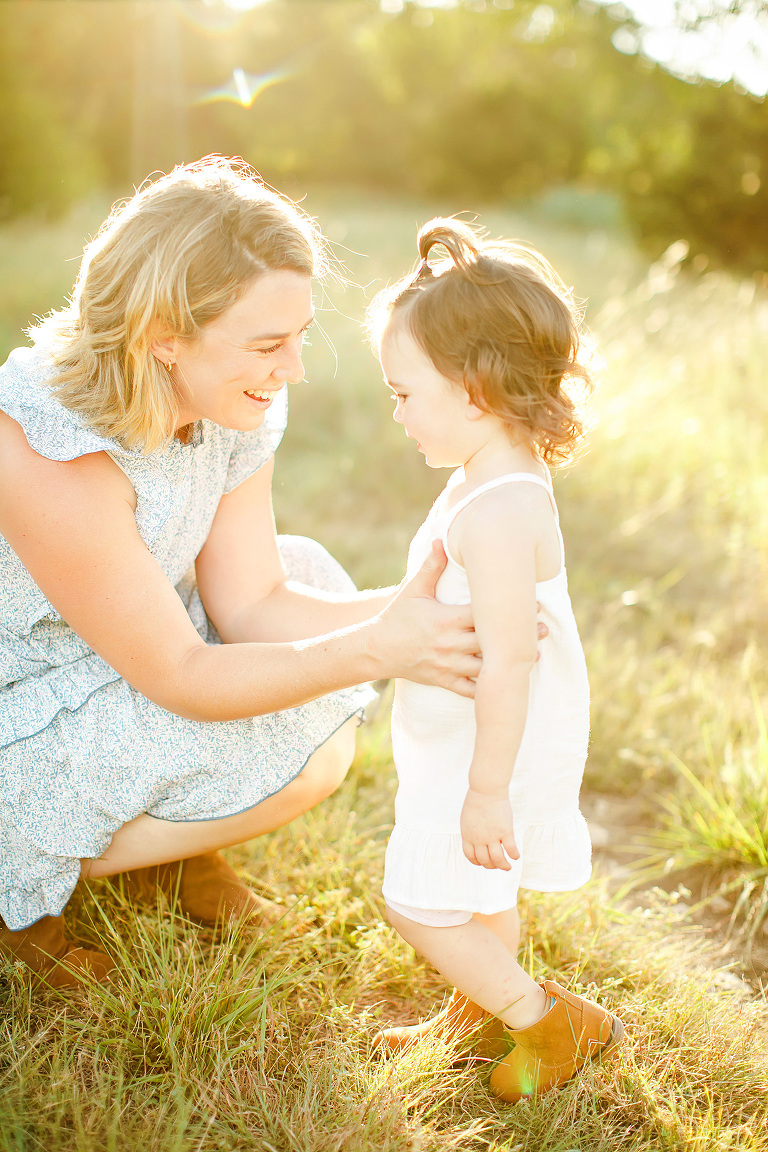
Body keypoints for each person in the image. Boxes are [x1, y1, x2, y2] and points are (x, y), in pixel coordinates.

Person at [0, 159, 486, 989]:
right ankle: (19, 888)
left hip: (115, 656)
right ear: (162, 335)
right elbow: (181, 673)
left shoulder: (226, 397)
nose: (293, 368)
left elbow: (253, 598)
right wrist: (380, 648)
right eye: (267, 344)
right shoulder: (46, 444)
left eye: (298, 336)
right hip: (24, 702)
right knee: (311, 713)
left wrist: (426, 612)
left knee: (310, 581)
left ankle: (172, 852)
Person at [367, 218, 624, 1102]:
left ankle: (548, 1023)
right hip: (470, 734)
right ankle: (478, 1009)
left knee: (418, 900)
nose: (394, 411)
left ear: (473, 389)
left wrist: (485, 789)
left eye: (404, 393)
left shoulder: (500, 509)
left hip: (494, 744)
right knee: (479, 893)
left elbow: (512, 661)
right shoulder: (485, 476)